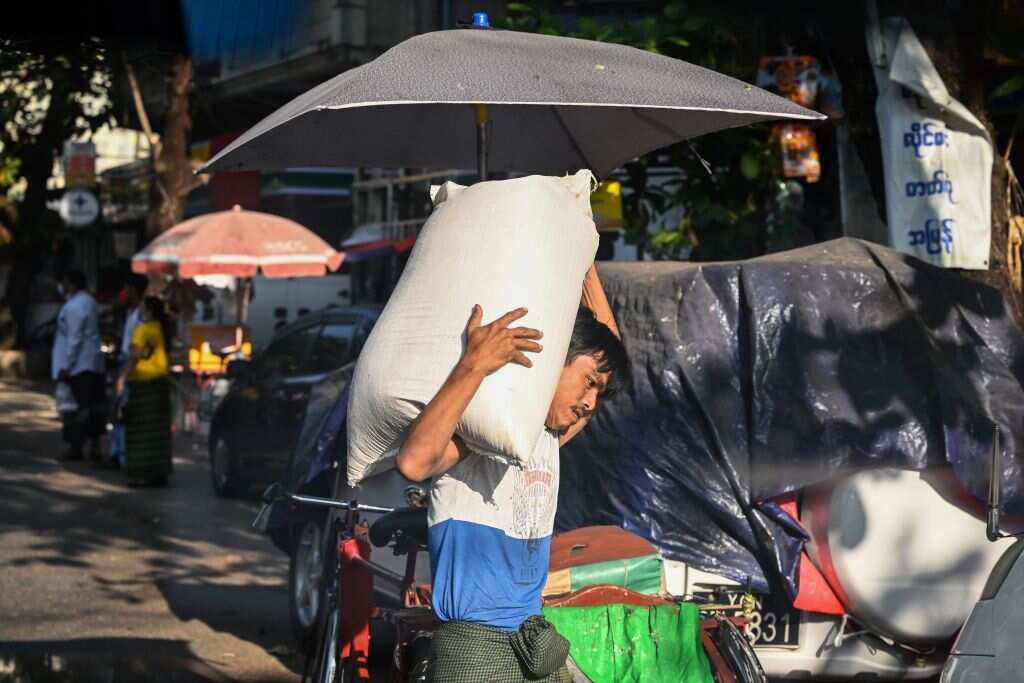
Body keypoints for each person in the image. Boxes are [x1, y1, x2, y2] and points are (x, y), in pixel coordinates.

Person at [397, 302, 629, 682]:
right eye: (589, 382)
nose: (591, 402)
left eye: (598, 393)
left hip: (534, 647)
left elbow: (609, 348)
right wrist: (473, 365)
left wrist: (585, 259)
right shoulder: (486, 435)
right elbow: (414, 464)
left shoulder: (549, 437)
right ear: (556, 359)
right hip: (476, 657)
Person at [116, 295, 173, 486]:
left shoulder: (142, 330)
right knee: (158, 433)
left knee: (140, 432)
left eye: (142, 306)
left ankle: (142, 474)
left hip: (143, 384)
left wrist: (122, 379)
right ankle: (159, 474)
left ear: (148, 310)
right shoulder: (160, 327)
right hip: (160, 384)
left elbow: (134, 357)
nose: (139, 309)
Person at [52, 269, 106, 461]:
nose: (62, 286)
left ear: (72, 284)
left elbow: (75, 338)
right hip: (91, 361)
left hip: (80, 364)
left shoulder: (75, 306)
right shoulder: (88, 301)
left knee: (77, 407)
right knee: (92, 405)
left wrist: (67, 365)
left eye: (65, 282)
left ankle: (76, 446)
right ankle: (94, 446)